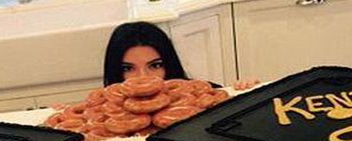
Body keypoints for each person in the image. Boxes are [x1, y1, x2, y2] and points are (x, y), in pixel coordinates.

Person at [103, 21, 258, 89]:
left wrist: (247, 93)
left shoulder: (205, 93)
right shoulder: (101, 118)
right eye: (128, 68)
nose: (143, 78)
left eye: (155, 65)